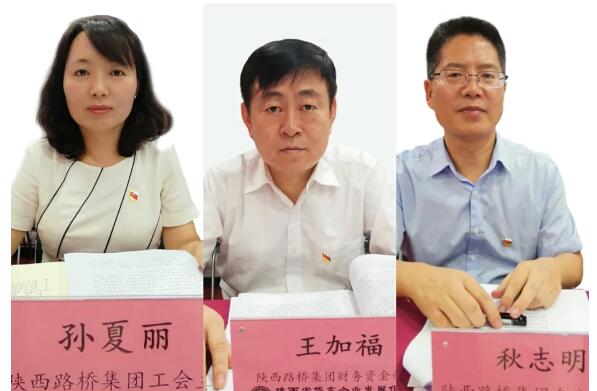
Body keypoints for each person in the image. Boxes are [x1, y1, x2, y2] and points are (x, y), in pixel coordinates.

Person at [396, 17, 583, 329]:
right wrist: (413, 276)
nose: (473, 89)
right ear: (429, 92)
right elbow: (372, 267)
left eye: (487, 76)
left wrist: (552, 269)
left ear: (504, 89)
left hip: (519, 324)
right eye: (455, 75)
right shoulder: (401, 175)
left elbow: (573, 264)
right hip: (432, 325)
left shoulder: (540, 173)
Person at [204, 39, 395, 298]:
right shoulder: (220, 183)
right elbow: (190, 264)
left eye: (307, 107)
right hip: (244, 318)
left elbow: (393, 265)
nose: (291, 127)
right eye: (273, 108)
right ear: (247, 117)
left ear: (332, 111)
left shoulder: (363, 175)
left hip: (338, 321)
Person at [10, 15, 202, 264]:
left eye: (116, 72)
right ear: (61, 83)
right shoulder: (40, 157)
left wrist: (202, 254)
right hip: (60, 288)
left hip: (139, 288)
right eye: (82, 72)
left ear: (138, 84)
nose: (98, 89)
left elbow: (184, 242)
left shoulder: (160, 158)